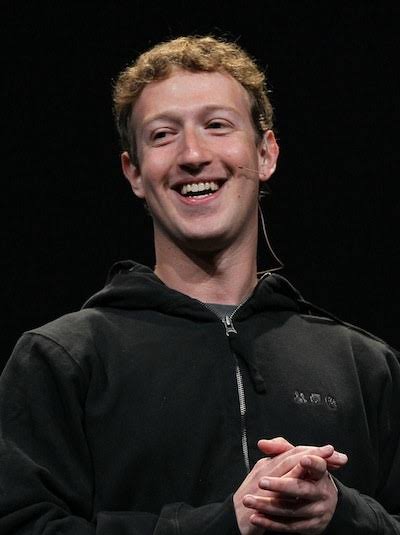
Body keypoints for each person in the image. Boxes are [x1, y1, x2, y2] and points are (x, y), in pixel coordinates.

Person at [0, 35, 399, 535]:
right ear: (134, 172)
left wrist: (342, 512)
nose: (192, 154)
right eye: (163, 135)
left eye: (216, 125)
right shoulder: (62, 361)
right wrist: (221, 524)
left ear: (266, 152)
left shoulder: (364, 367)